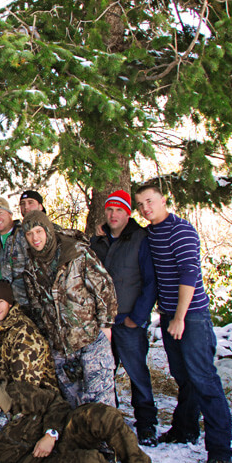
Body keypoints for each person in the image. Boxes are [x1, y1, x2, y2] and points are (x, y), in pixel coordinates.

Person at [134, 184, 232, 463]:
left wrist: (179, 317)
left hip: (192, 317)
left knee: (204, 380)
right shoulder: (151, 232)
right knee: (183, 377)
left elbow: (189, 272)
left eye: (150, 201)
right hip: (169, 316)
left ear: (164, 200)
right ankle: (185, 429)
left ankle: (220, 451)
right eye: (140, 204)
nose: (145, 208)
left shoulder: (182, 229)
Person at [0, 363, 159, 463]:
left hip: (62, 434)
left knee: (104, 416)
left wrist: (50, 434)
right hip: (39, 462)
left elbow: (55, 404)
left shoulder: (14, 391)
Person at [21, 210, 117, 409]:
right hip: (60, 348)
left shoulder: (76, 253)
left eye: (39, 231)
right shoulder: (31, 267)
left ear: (47, 230)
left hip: (89, 339)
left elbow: (104, 287)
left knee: (101, 406)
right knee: (75, 407)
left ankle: (107, 440)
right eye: (29, 234)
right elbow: (37, 306)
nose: (35, 238)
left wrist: (106, 326)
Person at [90, 190, 159, 446]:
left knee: (137, 373)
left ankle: (146, 424)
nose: (113, 214)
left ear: (128, 213)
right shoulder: (97, 241)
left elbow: (150, 282)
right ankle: (111, 421)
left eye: (119, 210)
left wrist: (137, 318)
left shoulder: (141, 239)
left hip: (129, 320)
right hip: (103, 324)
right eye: (109, 210)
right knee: (105, 374)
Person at [0, 197, 35, 323]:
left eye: (0, 213)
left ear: (9, 214)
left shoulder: (24, 234)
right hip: (8, 308)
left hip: (29, 306)